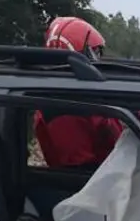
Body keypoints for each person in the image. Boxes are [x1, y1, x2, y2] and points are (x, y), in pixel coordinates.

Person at [34, 16, 123, 169]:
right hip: (95, 188)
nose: (98, 59)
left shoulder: (83, 97)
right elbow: (80, 171)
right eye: (94, 52)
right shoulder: (62, 110)